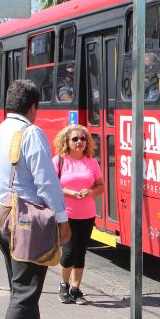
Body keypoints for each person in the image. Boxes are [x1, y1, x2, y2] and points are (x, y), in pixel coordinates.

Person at [0, 79, 72, 319]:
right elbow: (46, 180)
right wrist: (61, 219)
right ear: (33, 107)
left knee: (21, 284)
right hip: (25, 220)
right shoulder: (30, 133)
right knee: (26, 289)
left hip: (0, 215)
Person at [52, 124, 104, 305]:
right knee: (69, 252)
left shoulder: (92, 162)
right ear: (66, 141)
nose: (80, 142)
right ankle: (63, 285)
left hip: (87, 214)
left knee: (81, 252)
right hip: (66, 214)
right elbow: (51, 186)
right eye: (75, 139)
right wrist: (69, 192)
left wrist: (90, 193)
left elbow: (101, 186)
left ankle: (76, 289)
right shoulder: (59, 161)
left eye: (83, 138)